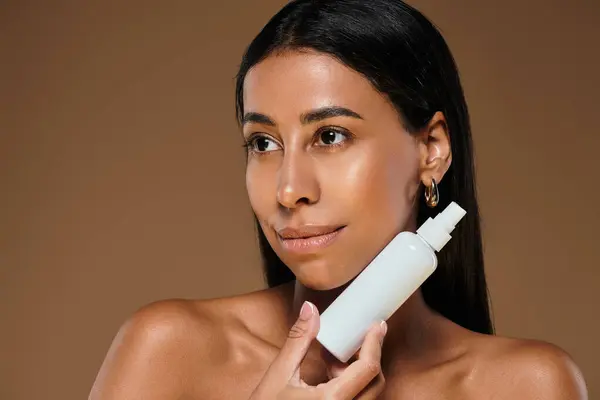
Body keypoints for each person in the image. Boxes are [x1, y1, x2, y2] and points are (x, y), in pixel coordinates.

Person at [89, 1, 588, 398]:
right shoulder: (173, 349)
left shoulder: (526, 385)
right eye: (263, 143)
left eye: (330, 136)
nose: (288, 189)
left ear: (431, 150)